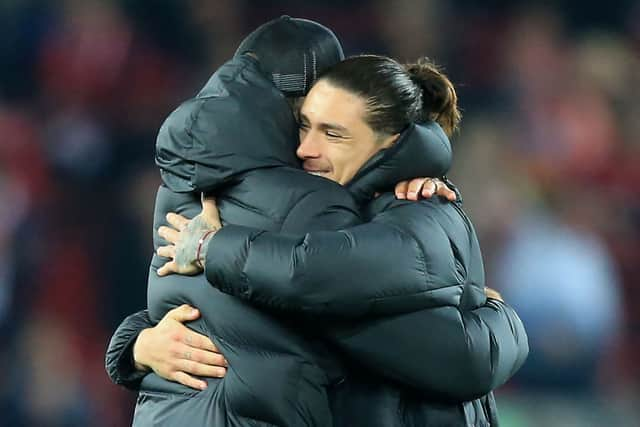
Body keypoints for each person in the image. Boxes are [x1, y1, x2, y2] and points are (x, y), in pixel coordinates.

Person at [109, 52, 527, 427]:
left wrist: (212, 249)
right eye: (305, 126)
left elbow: (462, 358)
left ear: (392, 142)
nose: (306, 148)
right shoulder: (319, 206)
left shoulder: (421, 211)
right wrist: (138, 347)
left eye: (334, 133)